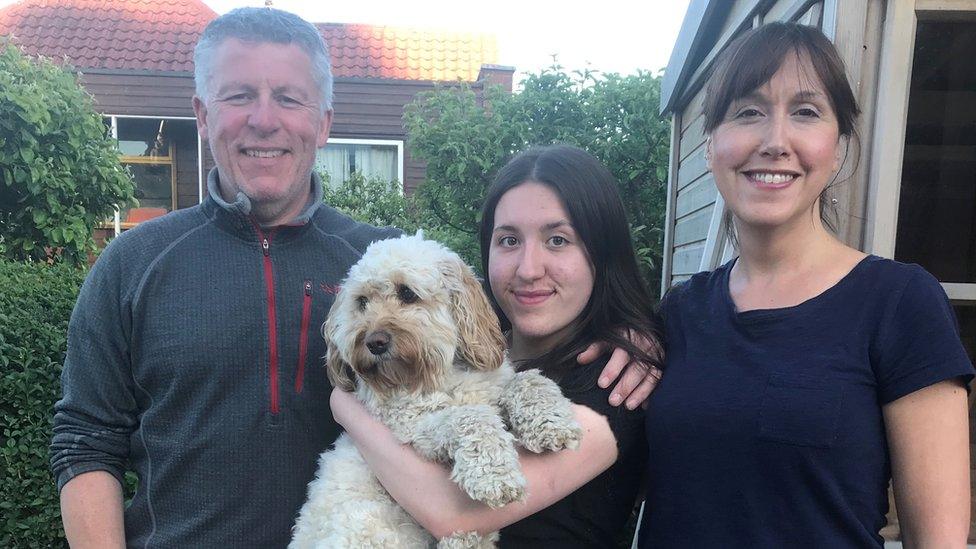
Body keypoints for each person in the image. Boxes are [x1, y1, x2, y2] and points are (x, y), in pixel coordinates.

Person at [49, 8, 657, 548]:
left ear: (324, 122)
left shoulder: (379, 261)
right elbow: (85, 440)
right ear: (203, 115)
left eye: (289, 98)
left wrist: (637, 338)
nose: (265, 120)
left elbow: (495, 341)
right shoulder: (132, 263)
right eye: (239, 96)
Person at [638, 22, 974, 548]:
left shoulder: (899, 303)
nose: (775, 142)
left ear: (837, 147)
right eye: (748, 112)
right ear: (711, 146)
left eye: (805, 111)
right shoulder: (679, 312)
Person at [330, 144, 663, 547]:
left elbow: (451, 513)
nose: (528, 269)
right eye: (508, 241)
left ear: (601, 254)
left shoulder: (617, 381)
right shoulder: (471, 362)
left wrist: (347, 407)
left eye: (558, 240)